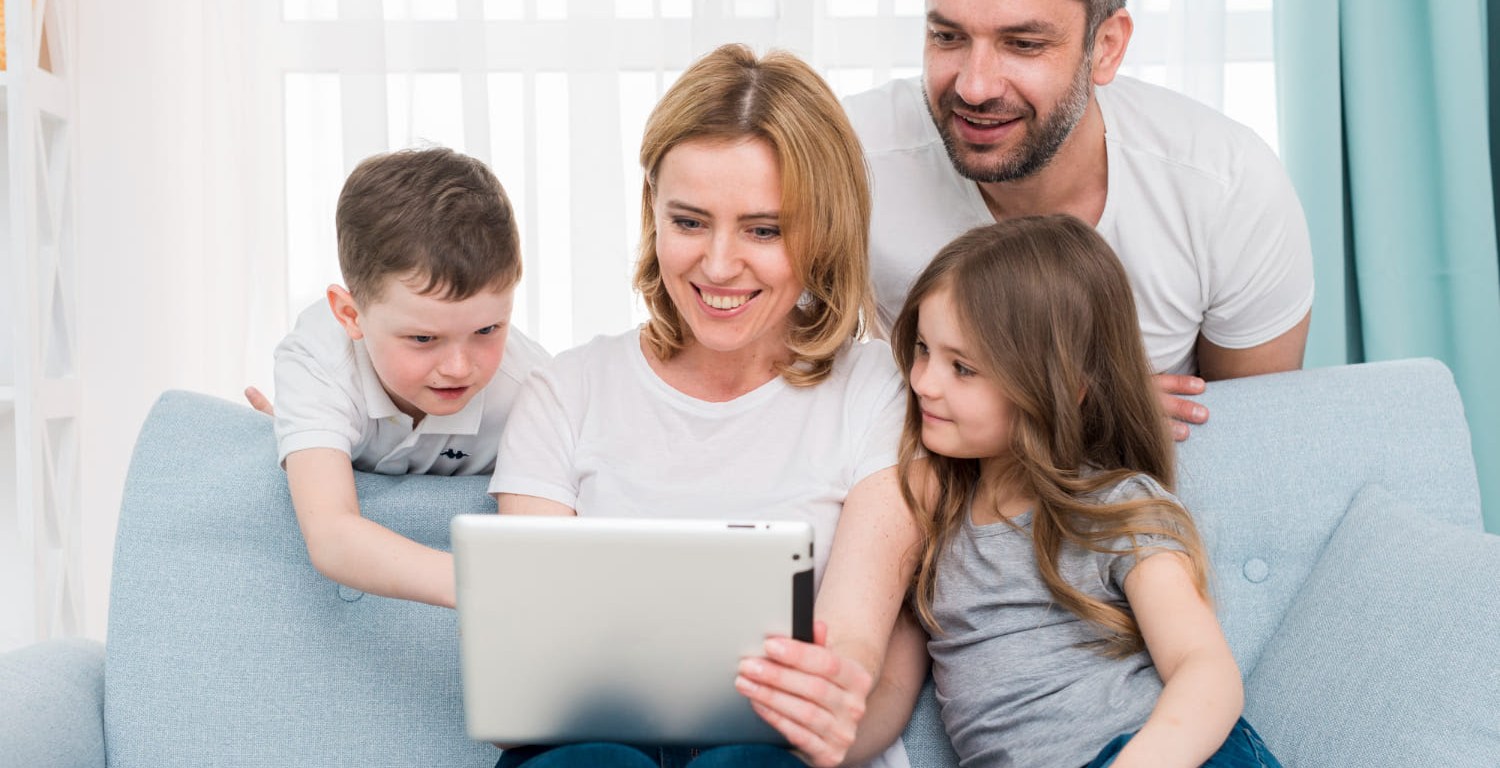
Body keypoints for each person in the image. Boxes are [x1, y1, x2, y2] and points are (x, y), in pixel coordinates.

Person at [488, 44, 927, 768]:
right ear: (652, 214)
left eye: (764, 229)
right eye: (689, 222)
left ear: (823, 229)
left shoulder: (877, 390)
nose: (719, 266)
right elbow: (529, 677)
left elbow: (853, 639)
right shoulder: (566, 393)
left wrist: (838, 696)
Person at [891, 215, 1280, 767]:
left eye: (963, 368)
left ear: (1063, 387)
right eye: (924, 349)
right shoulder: (933, 524)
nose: (923, 381)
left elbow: (1204, 669)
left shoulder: (1113, 508)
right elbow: (885, 693)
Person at [843, 0, 1314, 440]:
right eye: (948, 37)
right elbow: (792, 388)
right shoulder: (846, 158)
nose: (974, 87)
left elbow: (1254, 442)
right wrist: (1097, 411)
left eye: (1023, 44)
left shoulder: (1227, 187)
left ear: (1106, 47)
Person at [260, 146, 550, 608]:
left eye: (488, 330)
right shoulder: (318, 360)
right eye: (422, 339)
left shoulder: (533, 387)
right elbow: (333, 535)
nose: (459, 366)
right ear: (350, 315)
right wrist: (492, 588)